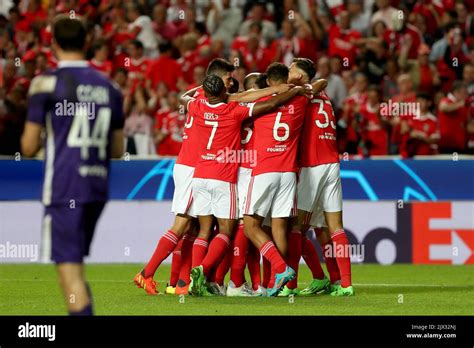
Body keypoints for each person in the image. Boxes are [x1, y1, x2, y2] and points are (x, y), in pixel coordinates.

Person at [21, 16, 124, 315]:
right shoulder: (111, 87)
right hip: (97, 187)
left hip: (64, 187)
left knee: (70, 276)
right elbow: (117, 149)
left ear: (53, 43)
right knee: (75, 269)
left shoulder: (45, 84)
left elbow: (27, 147)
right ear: (88, 43)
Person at [187, 74, 308, 297]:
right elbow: (268, 102)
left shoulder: (197, 106)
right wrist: (289, 89)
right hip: (235, 172)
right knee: (236, 229)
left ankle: (203, 279)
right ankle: (231, 280)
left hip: (201, 173)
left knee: (206, 230)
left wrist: (208, 88)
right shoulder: (239, 110)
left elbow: (184, 97)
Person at [287, 58, 354, 296]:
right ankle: (343, 283)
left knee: (297, 228)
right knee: (331, 227)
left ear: (302, 74)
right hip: (332, 164)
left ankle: (290, 286)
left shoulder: (300, 96)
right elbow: (321, 82)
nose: (288, 71)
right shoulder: (323, 96)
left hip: (311, 166)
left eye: (291, 69)